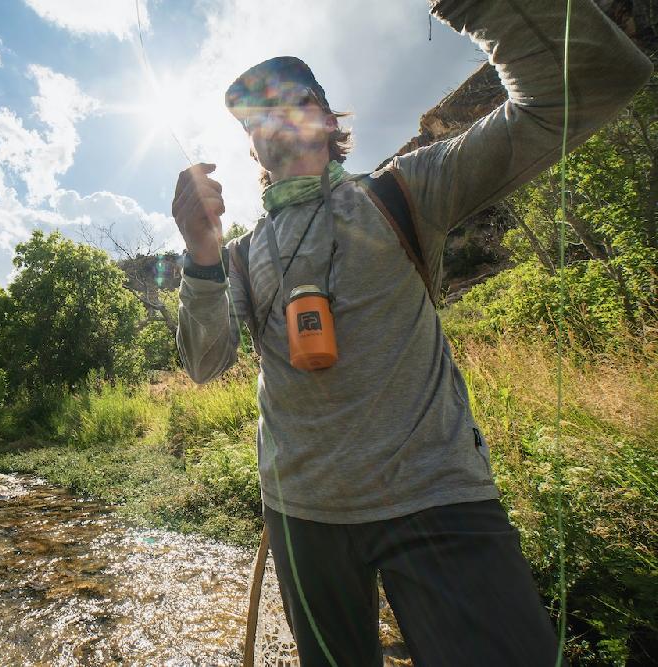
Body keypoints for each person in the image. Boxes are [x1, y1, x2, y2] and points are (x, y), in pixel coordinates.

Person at [171, 1, 652, 665]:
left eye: (293, 100)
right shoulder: (242, 255)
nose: (276, 117)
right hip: (302, 516)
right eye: (257, 115)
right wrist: (200, 252)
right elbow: (203, 362)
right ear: (251, 144)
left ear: (328, 118)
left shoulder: (407, 191)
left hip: (438, 499)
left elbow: (591, 81)